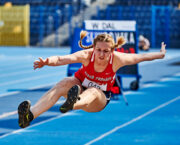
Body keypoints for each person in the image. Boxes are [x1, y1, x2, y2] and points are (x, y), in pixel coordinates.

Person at [18, 31, 166, 128]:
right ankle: (29, 116)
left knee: (94, 91)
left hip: (97, 100)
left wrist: (160, 54)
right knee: (64, 82)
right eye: (99, 50)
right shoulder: (87, 55)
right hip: (79, 87)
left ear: (112, 50)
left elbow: (141, 57)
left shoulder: (117, 59)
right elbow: (62, 59)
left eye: (106, 51)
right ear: (94, 48)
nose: (101, 54)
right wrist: (47, 61)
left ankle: (72, 103)